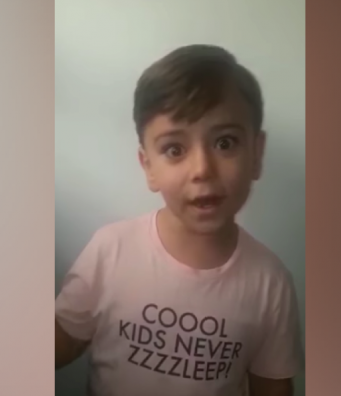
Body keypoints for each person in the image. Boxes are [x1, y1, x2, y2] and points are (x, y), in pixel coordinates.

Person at [55, 45, 304, 396]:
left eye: (225, 143)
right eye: (175, 149)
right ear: (149, 167)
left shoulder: (270, 283)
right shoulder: (110, 250)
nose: (202, 169)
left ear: (256, 154)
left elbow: (272, 387)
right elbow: (62, 341)